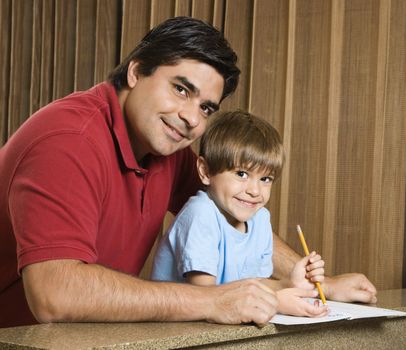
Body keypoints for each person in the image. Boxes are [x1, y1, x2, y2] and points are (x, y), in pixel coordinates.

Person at [0, 16, 376, 329]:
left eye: (207, 108)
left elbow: (235, 209)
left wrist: (317, 284)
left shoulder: (167, 147)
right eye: (181, 89)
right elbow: (55, 295)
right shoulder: (68, 141)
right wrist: (213, 301)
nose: (192, 118)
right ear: (135, 72)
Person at [151, 111, 329, 317]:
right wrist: (275, 302)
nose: (255, 191)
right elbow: (206, 298)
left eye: (266, 179)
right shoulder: (200, 214)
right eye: (241, 174)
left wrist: (288, 283)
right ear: (205, 171)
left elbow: (254, 285)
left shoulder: (260, 219)